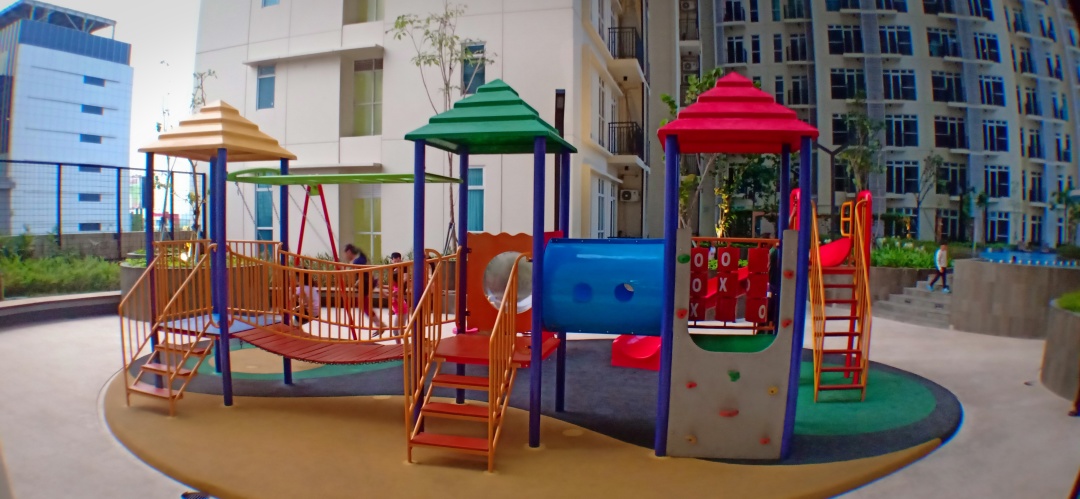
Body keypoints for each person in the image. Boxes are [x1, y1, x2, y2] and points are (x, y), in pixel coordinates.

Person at [341, 243, 385, 335]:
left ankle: (380, 324)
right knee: (364, 305)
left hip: (366, 283)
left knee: (364, 305)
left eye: (345, 253)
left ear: (349, 252)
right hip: (367, 282)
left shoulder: (357, 261)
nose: (345, 256)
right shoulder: (359, 258)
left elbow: (352, 272)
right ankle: (379, 324)